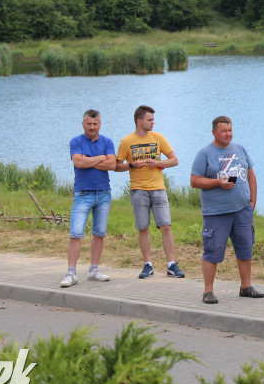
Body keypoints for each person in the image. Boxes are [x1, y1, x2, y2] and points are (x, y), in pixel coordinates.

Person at [190, 116, 264, 303]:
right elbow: (194, 181)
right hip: (216, 212)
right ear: (214, 132)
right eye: (224, 131)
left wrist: (252, 202)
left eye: (230, 130)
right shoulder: (205, 153)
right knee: (213, 250)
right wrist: (217, 183)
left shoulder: (240, 150)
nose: (227, 134)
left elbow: (251, 176)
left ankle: (246, 287)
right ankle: (208, 291)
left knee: (245, 249)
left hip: (242, 210)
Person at [115, 105, 184, 280]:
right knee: (143, 227)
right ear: (139, 121)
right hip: (138, 189)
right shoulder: (126, 141)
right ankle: (148, 264)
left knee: (166, 226)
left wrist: (158, 164)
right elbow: (116, 166)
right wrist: (131, 165)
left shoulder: (158, 138)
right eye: (150, 120)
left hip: (158, 188)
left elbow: (174, 160)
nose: (153, 123)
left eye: (153, 119)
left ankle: (171, 265)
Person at [62, 109, 116, 288]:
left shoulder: (107, 141)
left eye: (95, 124)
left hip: (103, 193)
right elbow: (78, 162)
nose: (92, 127)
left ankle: (94, 270)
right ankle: (71, 273)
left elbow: (112, 164)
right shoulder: (76, 141)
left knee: (99, 233)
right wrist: (101, 158)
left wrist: (90, 160)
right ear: (83, 123)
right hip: (83, 193)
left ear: (100, 124)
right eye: (88, 123)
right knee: (75, 234)